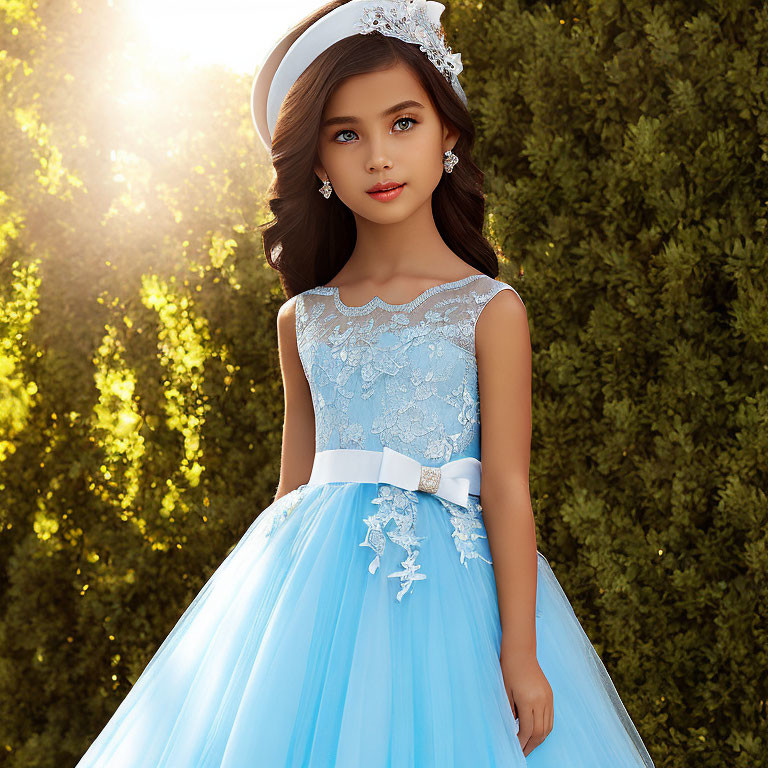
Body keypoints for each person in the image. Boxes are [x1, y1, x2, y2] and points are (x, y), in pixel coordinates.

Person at [75, 1, 656, 765]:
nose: (379, 157)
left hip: (455, 597)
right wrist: (252, 632)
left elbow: (509, 488)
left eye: (403, 123)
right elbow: (293, 491)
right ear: (316, 163)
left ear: (447, 131)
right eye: (346, 134)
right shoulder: (303, 319)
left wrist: (522, 652)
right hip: (314, 604)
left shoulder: (490, 309)